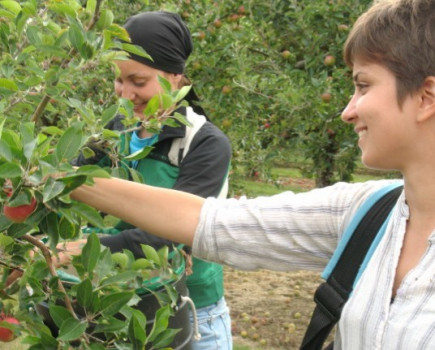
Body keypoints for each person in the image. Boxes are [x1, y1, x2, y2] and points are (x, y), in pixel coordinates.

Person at [70, 0, 435, 349]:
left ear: (426, 98)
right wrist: (56, 175)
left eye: (363, 85)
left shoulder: (204, 142)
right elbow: (212, 221)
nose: (347, 111)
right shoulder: (369, 213)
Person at [62, 11, 233, 350]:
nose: (125, 94)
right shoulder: (113, 133)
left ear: (175, 77)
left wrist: (77, 248)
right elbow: (66, 183)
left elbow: (168, 235)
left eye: (138, 82)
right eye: (118, 80)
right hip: (122, 306)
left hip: (193, 313)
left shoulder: (204, 144)